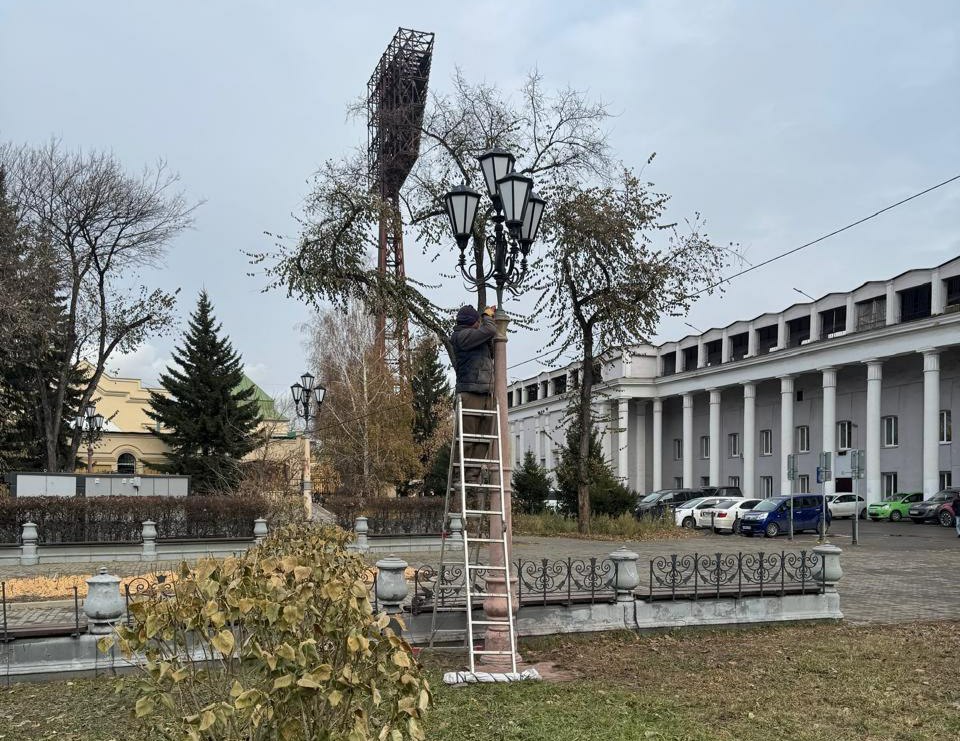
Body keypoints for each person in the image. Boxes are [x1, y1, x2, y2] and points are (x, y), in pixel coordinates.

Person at [450, 304, 497, 483]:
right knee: (467, 439)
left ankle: (472, 475)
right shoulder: (462, 336)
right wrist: (487, 315)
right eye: (478, 320)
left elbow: (490, 336)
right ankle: (459, 475)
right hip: (470, 393)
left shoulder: (474, 337)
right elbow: (490, 329)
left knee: (484, 439)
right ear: (473, 322)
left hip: (485, 393)